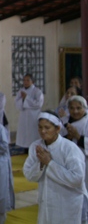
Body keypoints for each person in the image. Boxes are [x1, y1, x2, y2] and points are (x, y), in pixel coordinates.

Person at [23, 111, 88, 224]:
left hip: (68, 204)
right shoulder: (36, 146)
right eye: (40, 127)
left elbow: (77, 179)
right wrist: (41, 164)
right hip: (46, 202)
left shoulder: (69, 148)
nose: (43, 131)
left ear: (57, 129)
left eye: (47, 128)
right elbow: (29, 174)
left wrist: (50, 163)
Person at [60, 95, 88, 223]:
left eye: (78, 108)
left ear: (84, 108)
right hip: (68, 164)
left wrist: (78, 136)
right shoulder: (64, 122)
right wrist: (69, 137)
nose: (75, 111)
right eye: (72, 108)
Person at [15, 73, 44, 149]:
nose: (25, 82)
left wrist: (27, 97)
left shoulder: (37, 91)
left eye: (28, 80)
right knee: (24, 132)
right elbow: (17, 102)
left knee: (33, 132)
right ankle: (25, 147)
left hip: (33, 115)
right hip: (24, 114)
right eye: (24, 80)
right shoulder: (21, 91)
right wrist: (23, 100)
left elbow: (38, 104)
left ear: (32, 81)